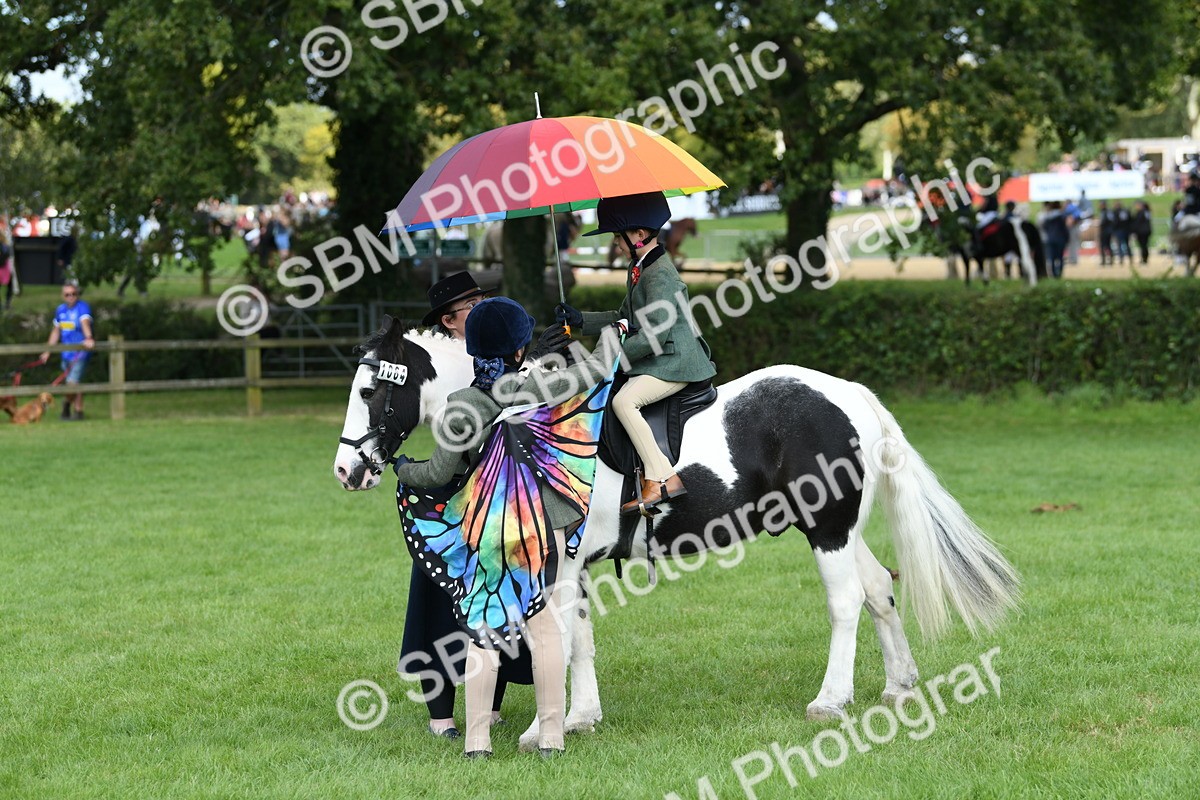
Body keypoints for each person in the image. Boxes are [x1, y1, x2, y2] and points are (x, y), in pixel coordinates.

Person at [395, 297, 624, 758]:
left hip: (490, 532)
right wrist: (615, 327)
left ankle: (477, 742)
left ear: (475, 351)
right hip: (548, 527)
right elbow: (600, 366)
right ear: (521, 351)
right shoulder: (549, 384)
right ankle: (552, 737)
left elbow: (438, 475)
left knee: (484, 632)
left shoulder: (462, 406)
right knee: (544, 628)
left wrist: (403, 469)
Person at [555, 192, 716, 514]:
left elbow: (656, 330)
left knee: (624, 401)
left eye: (617, 236)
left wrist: (611, 358)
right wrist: (581, 320)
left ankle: (662, 478)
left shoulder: (661, 275)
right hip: (660, 358)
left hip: (676, 362)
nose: (614, 243)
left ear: (639, 235)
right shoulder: (641, 266)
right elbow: (624, 317)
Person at [40, 281, 94, 420]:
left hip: (80, 352)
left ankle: (65, 405)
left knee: (72, 383)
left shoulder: (83, 307)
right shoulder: (60, 310)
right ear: (63, 296)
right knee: (75, 382)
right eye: (67, 294)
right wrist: (48, 350)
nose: (71, 297)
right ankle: (78, 411)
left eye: (74, 294)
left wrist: (88, 337)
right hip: (66, 353)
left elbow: (84, 323)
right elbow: (56, 331)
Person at [1039, 201, 1069, 279]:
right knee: (1060, 258)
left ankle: (1053, 275)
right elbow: (1064, 229)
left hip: (1050, 239)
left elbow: (1044, 227)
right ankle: (1059, 274)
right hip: (1060, 239)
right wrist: (1067, 238)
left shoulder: (1048, 216)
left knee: (1051, 258)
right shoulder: (1062, 216)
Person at [1097, 200, 1114, 266]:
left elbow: (1106, 221)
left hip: (1106, 231)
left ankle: (1107, 260)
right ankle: (1105, 260)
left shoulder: (1106, 212)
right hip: (1105, 231)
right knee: (1105, 246)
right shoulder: (1104, 212)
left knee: (1106, 246)